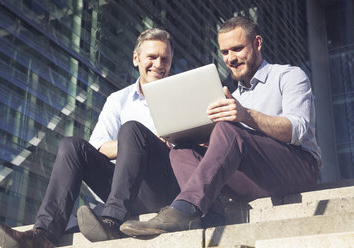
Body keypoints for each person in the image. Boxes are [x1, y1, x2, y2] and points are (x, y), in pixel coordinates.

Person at [119, 16, 322, 236]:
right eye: (225, 52)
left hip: (299, 167)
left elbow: (298, 130)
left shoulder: (289, 76)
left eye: (237, 49)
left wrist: (246, 116)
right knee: (182, 150)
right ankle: (209, 215)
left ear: (258, 43)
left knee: (228, 129)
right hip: (256, 177)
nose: (231, 58)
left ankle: (185, 208)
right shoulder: (230, 96)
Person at [0, 28, 180, 248]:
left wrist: (150, 141)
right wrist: (136, 145)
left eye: (165, 58)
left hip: (163, 191)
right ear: (136, 59)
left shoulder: (181, 95)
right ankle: (44, 233)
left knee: (131, 129)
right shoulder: (119, 100)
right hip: (124, 190)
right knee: (73, 145)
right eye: (152, 57)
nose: (159, 64)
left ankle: (111, 220)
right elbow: (98, 146)